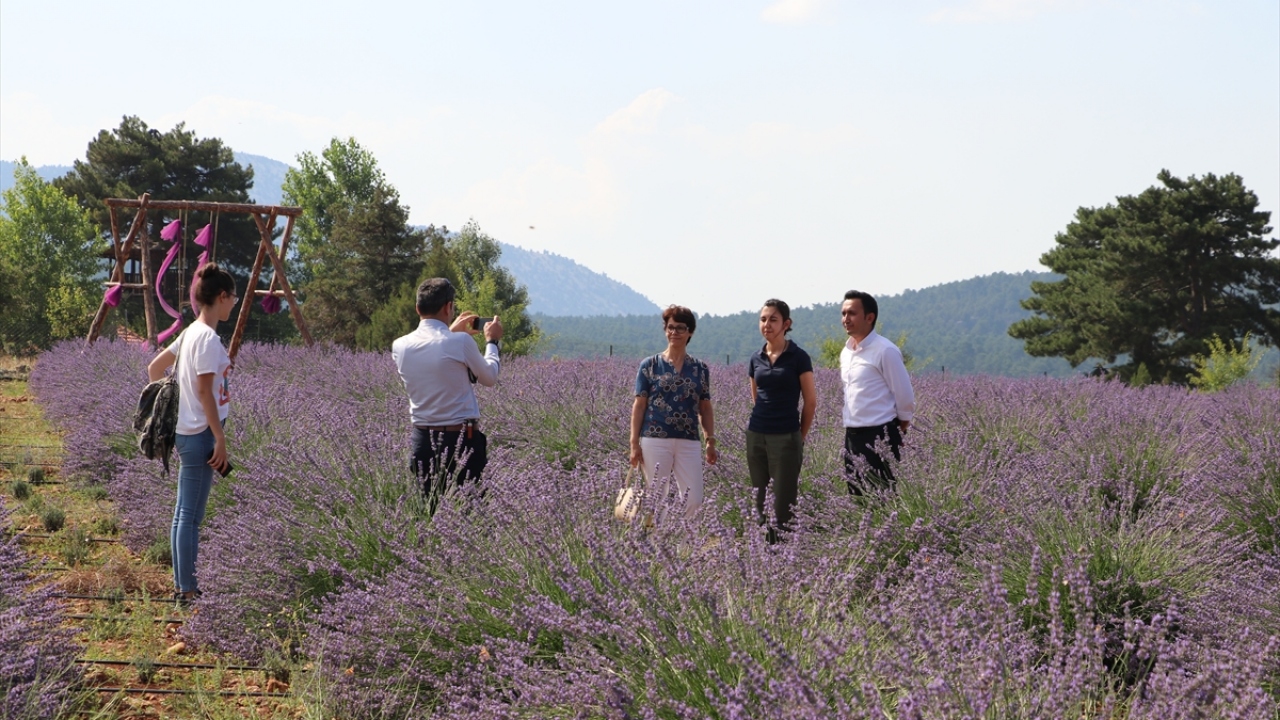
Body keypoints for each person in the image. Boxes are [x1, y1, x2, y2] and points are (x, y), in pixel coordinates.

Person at [146, 262, 237, 606]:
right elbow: (204, 392)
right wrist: (220, 438)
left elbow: (155, 368)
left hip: (187, 431)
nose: (234, 305)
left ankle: (184, 585)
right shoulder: (209, 339)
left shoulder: (188, 333)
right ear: (221, 297)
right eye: (233, 298)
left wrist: (168, 405)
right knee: (190, 517)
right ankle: (187, 591)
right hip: (201, 435)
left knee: (183, 514)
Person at [391, 278, 504, 511]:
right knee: (473, 513)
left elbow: (435, 357)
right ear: (448, 307)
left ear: (417, 308)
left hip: (422, 440)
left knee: (429, 511)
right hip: (462, 440)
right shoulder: (461, 342)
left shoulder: (399, 345)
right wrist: (492, 342)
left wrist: (448, 331)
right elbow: (489, 377)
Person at [629, 305, 718, 520]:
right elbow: (639, 405)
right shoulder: (650, 365)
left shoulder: (700, 368)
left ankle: (686, 548)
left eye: (680, 328)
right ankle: (658, 548)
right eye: (670, 327)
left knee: (694, 499)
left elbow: (705, 407)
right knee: (656, 498)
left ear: (690, 332)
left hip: (689, 439)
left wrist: (710, 441)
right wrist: (633, 443)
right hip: (654, 438)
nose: (674, 332)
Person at [746, 299, 816, 538]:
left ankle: (783, 555)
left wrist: (799, 436)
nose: (767, 324)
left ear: (786, 324)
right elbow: (756, 397)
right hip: (756, 434)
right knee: (759, 498)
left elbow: (810, 401)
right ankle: (762, 552)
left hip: (786, 436)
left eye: (773, 319)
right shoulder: (756, 358)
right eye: (763, 319)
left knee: (783, 502)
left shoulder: (799, 357)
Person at [839, 290, 915, 494]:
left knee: (883, 498)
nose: (846, 319)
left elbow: (905, 397)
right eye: (844, 313)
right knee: (857, 497)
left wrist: (897, 431)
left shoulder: (885, 350)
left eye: (852, 313)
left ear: (869, 317)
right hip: (852, 435)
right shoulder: (846, 353)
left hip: (880, 434)